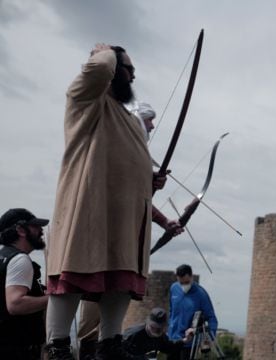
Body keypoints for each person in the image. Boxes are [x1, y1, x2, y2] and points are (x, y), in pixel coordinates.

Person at [45, 43, 163, 360]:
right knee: (73, 271)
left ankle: (110, 343)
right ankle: (57, 347)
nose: (133, 76)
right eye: (128, 70)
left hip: (124, 216)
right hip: (88, 207)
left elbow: (125, 166)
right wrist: (107, 51)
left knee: (119, 278)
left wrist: (149, 184)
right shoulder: (86, 102)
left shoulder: (129, 121)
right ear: (112, 70)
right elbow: (97, 70)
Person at [76, 101, 183, 360]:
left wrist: (162, 216)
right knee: (91, 309)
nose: (153, 126)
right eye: (148, 120)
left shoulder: (136, 156)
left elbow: (137, 200)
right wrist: (147, 183)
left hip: (121, 242)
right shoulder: (111, 148)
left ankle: (105, 351)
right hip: (100, 237)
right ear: (136, 121)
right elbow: (113, 193)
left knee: (113, 303)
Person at [0, 208, 50, 359]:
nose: (41, 230)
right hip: (17, 350)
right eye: (35, 226)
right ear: (21, 230)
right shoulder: (20, 260)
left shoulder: (3, 258)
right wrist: (56, 298)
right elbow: (15, 304)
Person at [168, 264, 218, 360]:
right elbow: (171, 310)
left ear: (191, 276)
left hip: (189, 344)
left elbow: (212, 318)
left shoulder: (201, 294)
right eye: (181, 283)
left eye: (186, 282)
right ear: (177, 278)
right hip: (173, 340)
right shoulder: (174, 288)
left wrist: (209, 339)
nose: (184, 285)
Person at [122, 307, 194, 358]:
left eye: (160, 328)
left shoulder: (160, 336)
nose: (156, 330)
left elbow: (168, 347)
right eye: (154, 327)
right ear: (148, 323)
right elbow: (119, 351)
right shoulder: (133, 334)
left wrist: (185, 340)